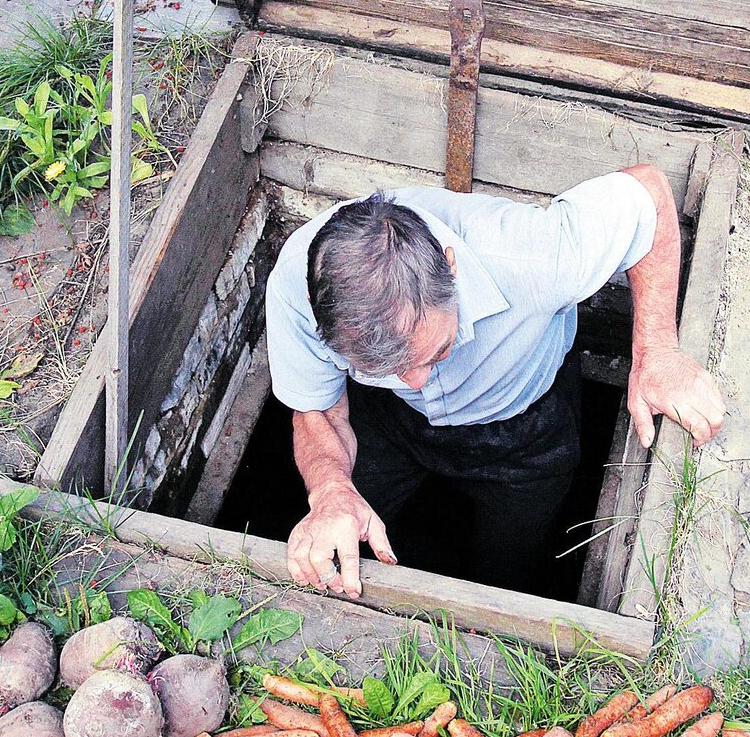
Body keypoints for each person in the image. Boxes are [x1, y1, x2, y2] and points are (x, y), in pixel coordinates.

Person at [265, 165, 726, 599]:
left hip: (525, 433)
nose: (416, 380)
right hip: (388, 424)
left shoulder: (536, 256)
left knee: (505, 571)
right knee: (339, 538)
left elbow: (648, 193)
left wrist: (658, 351)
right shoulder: (299, 285)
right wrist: (329, 491)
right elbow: (320, 408)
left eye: (436, 351)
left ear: (449, 266)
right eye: (383, 367)